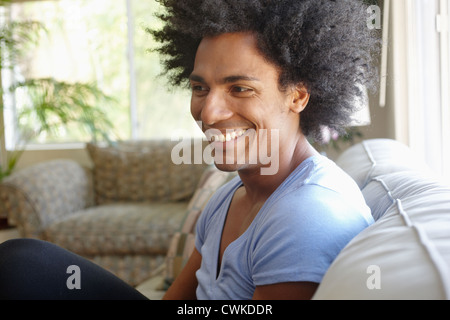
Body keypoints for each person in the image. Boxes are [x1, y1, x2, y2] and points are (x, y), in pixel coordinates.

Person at [0, 0, 379, 300]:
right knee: (24, 263)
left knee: (22, 266)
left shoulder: (308, 214)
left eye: (240, 88)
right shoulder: (230, 194)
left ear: (297, 95)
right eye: (200, 88)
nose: (208, 112)